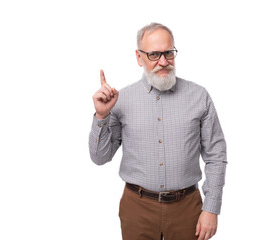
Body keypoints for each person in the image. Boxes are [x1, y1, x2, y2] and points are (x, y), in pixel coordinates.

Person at [89, 22, 227, 240]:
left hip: (187, 208)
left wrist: (211, 208)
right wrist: (102, 117)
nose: (163, 62)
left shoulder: (199, 96)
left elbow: (216, 156)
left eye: (168, 53)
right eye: (154, 54)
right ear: (139, 57)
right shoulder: (120, 100)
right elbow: (99, 158)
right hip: (137, 208)